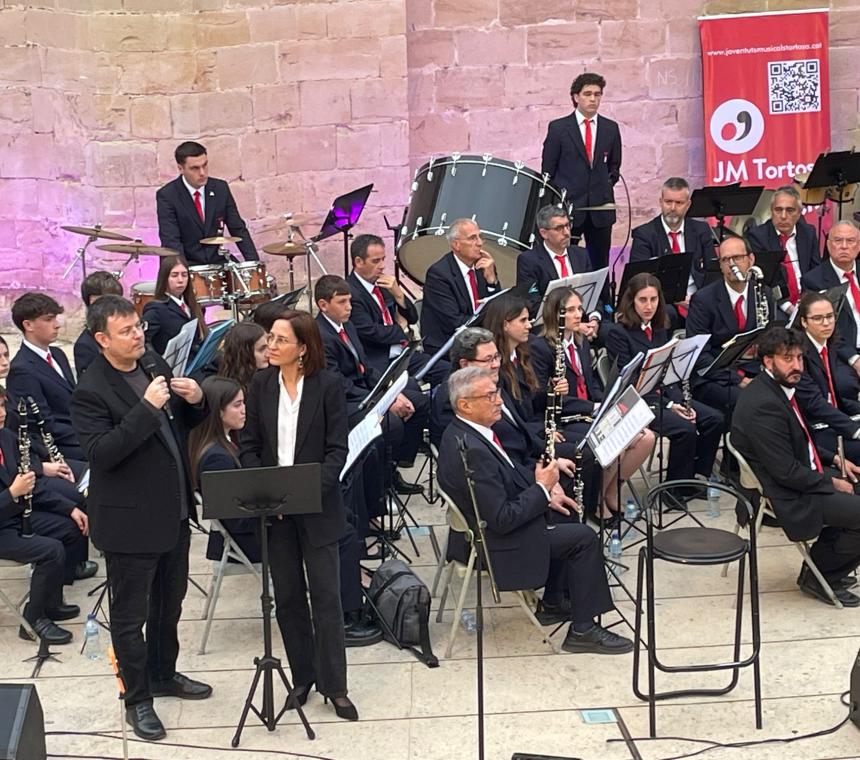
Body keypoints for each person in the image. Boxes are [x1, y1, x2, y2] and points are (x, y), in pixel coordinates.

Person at [70, 295, 211, 742]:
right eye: (127, 331)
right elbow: (102, 454)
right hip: (130, 524)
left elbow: (177, 424)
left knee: (170, 606)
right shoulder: (90, 389)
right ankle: (137, 699)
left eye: (138, 326)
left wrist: (197, 399)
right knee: (131, 619)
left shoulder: (151, 362)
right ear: (102, 339)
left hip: (173, 511)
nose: (138, 336)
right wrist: (147, 409)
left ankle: (164, 674)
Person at [437, 367, 634, 653]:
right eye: (489, 396)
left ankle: (554, 601)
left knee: (566, 511)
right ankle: (583, 629)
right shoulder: (473, 450)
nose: (499, 401)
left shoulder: (470, 432)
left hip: (492, 525)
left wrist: (547, 490)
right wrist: (541, 488)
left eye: (497, 392)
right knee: (584, 538)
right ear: (465, 405)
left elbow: (507, 475)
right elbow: (502, 519)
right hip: (495, 544)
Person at [238, 310, 359, 720]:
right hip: (275, 512)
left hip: (318, 507)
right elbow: (249, 444)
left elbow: (337, 451)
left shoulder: (328, 385)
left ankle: (335, 686)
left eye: (280, 340)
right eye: (270, 339)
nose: (270, 346)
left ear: (303, 348)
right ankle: (303, 677)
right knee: (288, 599)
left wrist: (307, 492)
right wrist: (267, 490)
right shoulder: (260, 384)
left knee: (326, 598)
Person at [731, 326, 860, 606]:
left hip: (802, 475)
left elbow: (800, 440)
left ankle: (824, 567)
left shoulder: (780, 389)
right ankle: (821, 577)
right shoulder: (764, 405)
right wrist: (832, 482)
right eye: (787, 359)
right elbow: (785, 472)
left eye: (799, 358)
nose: (797, 366)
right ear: (768, 361)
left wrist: (835, 459)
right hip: (787, 492)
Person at [524, 289, 655, 520]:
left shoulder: (581, 341)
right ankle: (596, 501)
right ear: (556, 315)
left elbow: (590, 381)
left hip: (588, 410)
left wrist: (603, 402)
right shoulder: (541, 347)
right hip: (564, 417)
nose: (578, 315)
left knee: (647, 437)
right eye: (571, 310)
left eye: (580, 308)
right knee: (617, 441)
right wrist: (591, 408)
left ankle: (610, 491)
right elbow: (540, 397)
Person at [605, 273, 723, 498]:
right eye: (642, 300)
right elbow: (629, 384)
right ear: (631, 301)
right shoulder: (618, 333)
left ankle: (696, 477)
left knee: (714, 419)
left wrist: (679, 401)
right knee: (685, 429)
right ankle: (673, 490)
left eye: (653, 299)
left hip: (665, 395)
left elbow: (668, 373)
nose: (649, 306)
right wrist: (670, 406)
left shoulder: (660, 328)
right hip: (639, 403)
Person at [314, 274, 427, 497]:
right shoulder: (321, 336)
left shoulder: (347, 326)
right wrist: (381, 400)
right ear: (323, 305)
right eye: (342, 302)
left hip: (365, 389)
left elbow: (365, 366)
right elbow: (339, 383)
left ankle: (395, 465)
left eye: (349, 301)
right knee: (391, 425)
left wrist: (391, 391)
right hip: (346, 400)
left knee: (420, 402)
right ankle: (381, 487)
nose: (349, 307)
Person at [0, 393, 82, 645]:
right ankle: (33, 620)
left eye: (2, 405)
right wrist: (12, 493)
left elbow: (32, 486)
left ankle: (50, 602)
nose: (2, 413)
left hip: (13, 517)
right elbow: (18, 489)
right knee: (50, 550)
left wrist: (69, 509)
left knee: (70, 528)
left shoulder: (6, 438)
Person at [541, 72, 622, 275]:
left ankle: (602, 296)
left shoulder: (610, 128)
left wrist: (601, 188)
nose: (593, 99)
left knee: (600, 264)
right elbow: (548, 170)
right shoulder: (559, 128)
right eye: (587, 94)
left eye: (597, 94)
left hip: (600, 209)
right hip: (569, 210)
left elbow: (614, 167)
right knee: (567, 263)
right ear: (576, 97)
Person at [686, 235, 775, 414]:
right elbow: (700, 357)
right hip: (716, 377)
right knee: (752, 401)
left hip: (754, 369)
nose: (732, 264)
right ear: (720, 265)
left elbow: (771, 338)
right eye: (725, 260)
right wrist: (739, 380)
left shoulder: (763, 293)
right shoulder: (703, 300)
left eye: (737, 258)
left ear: (751, 259)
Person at [347, 233, 448, 386]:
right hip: (380, 360)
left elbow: (412, 318)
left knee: (448, 371)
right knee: (412, 390)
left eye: (383, 259)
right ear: (358, 262)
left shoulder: (384, 284)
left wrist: (399, 295)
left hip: (403, 354)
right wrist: (401, 328)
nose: (382, 266)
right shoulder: (350, 293)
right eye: (376, 261)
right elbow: (371, 332)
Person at [188, 375, 260, 564]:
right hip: (244, 545)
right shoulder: (217, 458)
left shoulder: (221, 444)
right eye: (237, 405)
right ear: (219, 411)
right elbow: (234, 519)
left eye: (243, 403)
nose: (244, 410)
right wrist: (270, 511)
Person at [6, 293, 84, 461]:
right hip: (60, 447)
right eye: (49, 319)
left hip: (80, 432)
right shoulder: (21, 369)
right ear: (28, 325)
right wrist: (88, 435)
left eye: (55, 318)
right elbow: (42, 423)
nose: (57, 325)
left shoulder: (58, 354)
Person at [629, 177, 717, 323]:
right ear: (660, 202)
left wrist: (700, 299)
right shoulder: (644, 234)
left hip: (699, 299)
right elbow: (639, 279)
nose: (673, 208)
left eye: (679, 203)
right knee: (667, 314)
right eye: (668, 202)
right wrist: (677, 299)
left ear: (688, 205)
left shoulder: (701, 230)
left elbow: (712, 271)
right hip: (664, 302)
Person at [156, 141, 258, 266]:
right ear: (180, 168)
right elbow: (171, 240)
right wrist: (182, 271)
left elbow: (238, 229)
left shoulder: (220, 189)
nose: (202, 173)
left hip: (218, 260)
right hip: (188, 263)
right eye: (195, 168)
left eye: (205, 165)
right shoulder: (167, 195)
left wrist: (255, 264)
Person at [793, 291, 860, 461]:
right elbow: (814, 403)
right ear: (804, 322)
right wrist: (855, 429)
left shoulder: (829, 343)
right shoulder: (798, 355)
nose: (826, 323)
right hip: (814, 429)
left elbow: (834, 397)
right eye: (817, 318)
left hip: (835, 417)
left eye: (830, 316)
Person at [420, 218, 501, 355]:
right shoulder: (439, 275)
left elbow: (497, 308)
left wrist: (491, 281)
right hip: (449, 345)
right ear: (456, 245)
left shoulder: (483, 266)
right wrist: (490, 328)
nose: (480, 243)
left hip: (480, 337)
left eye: (480, 237)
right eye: (472, 238)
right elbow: (454, 322)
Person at [747, 185, 821, 314]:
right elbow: (766, 280)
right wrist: (788, 307)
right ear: (771, 211)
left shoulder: (808, 233)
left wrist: (808, 301)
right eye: (778, 210)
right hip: (778, 303)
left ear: (799, 213)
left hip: (807, 299)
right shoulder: (758, 237)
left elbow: (815, 271)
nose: (783, 216)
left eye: (790, 210)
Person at [800, 221, 860, 374]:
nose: (844, 246)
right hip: (843, 352)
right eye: (838, 240)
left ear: (859, 245)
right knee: (847, 384)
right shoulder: (813, 280)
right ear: (828, 245)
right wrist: (854, 359)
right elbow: (822, 329)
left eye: (850, 241)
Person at [516, 204, 592, 313]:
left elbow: (593, 293)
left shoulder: (581, 255)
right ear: (544, 233)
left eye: (567, 225)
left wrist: (594, 317)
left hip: (582, 316)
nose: (566, 233)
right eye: (559, 228)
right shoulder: (528, 261)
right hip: (551, 320)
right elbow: (531, 302)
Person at [142, 255, 208, 356]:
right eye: (174, 275)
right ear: (165, 278)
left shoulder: (193, 305)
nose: (180, 280)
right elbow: (144, 342)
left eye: (184, 275)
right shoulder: (155, 310)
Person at [75, 271, 123, 376]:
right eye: (98, 304)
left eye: (110, 303)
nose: (104, 309)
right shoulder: (85, 346)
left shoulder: (129, 332)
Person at [218, 322, 269, 390]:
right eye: (261, 350)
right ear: (244, 354)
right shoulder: (232, 390)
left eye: (268, 346)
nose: (268, 354)